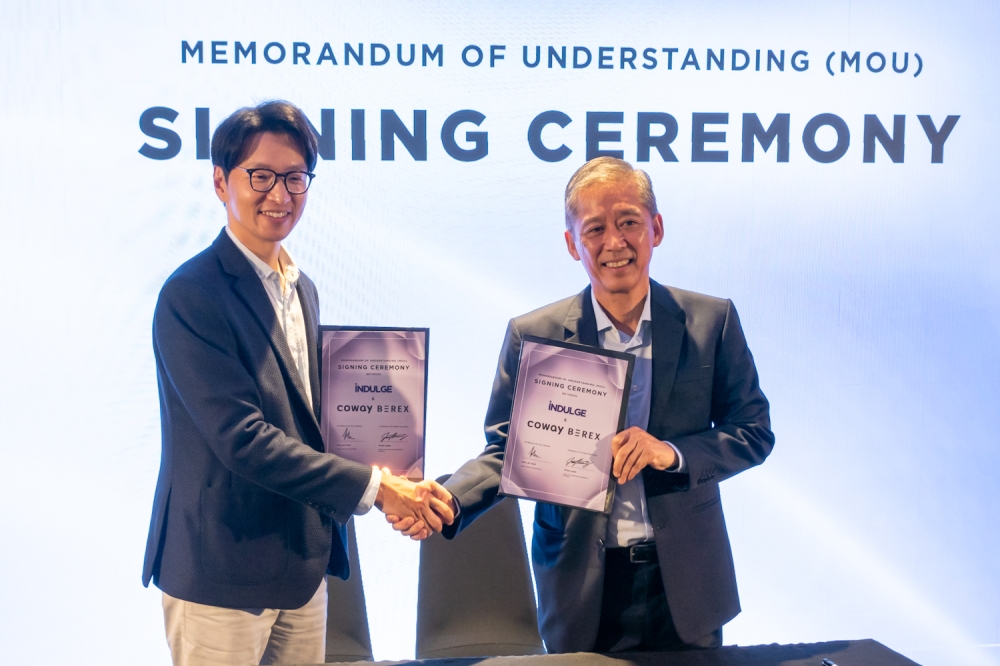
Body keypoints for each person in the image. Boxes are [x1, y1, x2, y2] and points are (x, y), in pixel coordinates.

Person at [390, 157, 774, 653]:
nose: (614, 241)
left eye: (629, 222)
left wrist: (671, 453)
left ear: (655, 228)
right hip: (581, 584)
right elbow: (508, 450)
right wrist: (449, 500)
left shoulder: (710, 321)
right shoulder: (536, 335)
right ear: (574, 244)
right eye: (595, 228)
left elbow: (753, 431)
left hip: (685, 582)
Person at [142, 100, 452, 666]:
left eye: (294, 177)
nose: (280, 195)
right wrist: (378, 489)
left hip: (300, 566)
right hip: (222, 572)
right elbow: (243, 438)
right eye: (260, 176)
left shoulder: (302, 287)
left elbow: (308, 421)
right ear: (220, 182)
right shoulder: (191, 295)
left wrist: (388, 470)